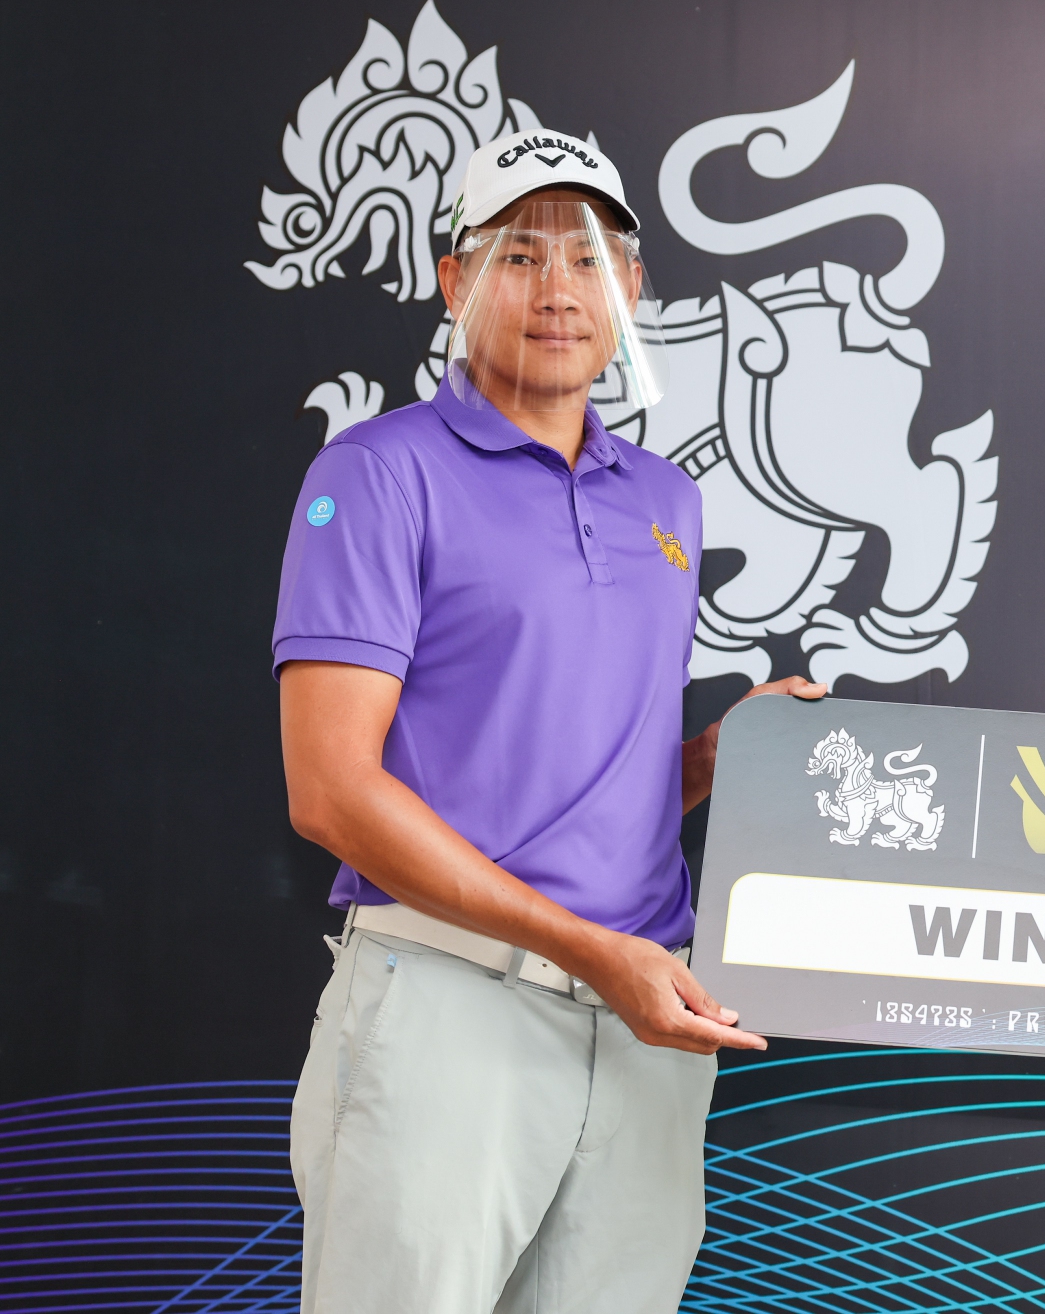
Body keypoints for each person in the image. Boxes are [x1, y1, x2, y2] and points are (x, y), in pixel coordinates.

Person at [274, 129, 823, 1312]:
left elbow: (575, 782)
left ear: (629, 288)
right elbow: (327, 790)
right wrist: (589, 952)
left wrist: (710, 760)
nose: (558, 288)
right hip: (449, 1008)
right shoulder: (376, 475)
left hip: (643, 1029)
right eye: (519, 254)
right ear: (452, 279)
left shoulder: (664, 500)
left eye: (588, 256)